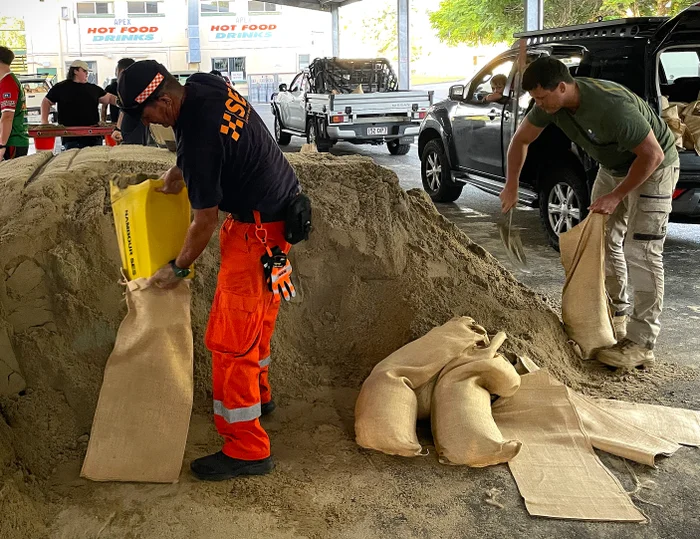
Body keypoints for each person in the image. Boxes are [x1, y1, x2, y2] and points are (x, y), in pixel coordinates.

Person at [118, 60, 310, 481]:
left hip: (255, 234)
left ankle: (246, 447)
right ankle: (260, 397)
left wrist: (178, 269)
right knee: (257, 324)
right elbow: (216, 142)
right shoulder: (204, 86)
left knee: (230, 344)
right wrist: (177, 172)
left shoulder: (199, 145)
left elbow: (202, 221)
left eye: (147, 115)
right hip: (277, 218)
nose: (149, 124)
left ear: (164, 101)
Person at [500, 57, 679, 369]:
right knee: (604, 241)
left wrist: (617, 195)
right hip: (613, 168)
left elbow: (653, 154)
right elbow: (521, 140)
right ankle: (616, 318)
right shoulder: (549, 106)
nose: (538, 105)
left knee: (642, 251)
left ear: (563, 87)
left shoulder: (610, 106)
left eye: (542, 97)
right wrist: (511, 185)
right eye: (534, 99)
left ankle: (642, 343)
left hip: (655, 168)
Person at [41, 60, 116, 150]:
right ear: (75, 71)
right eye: (84, 71)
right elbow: (46, 102)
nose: (87, 74)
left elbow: (109, 98)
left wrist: (123, 102)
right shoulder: (61, 88)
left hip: (93, 136)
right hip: (70, 137)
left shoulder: (93, 89)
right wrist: (44, 122)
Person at [103, 58, 150, 145]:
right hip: (138, 130)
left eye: (116, 71)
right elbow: (124, 108)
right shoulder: (141, 87)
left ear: (121, 71)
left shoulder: (128, 87)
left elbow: (125, 108)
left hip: (134, 131)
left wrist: (118, 128)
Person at [0, 46, 29, 160]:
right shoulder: (8, 81)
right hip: (11, 142)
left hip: (11, 143)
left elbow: (7, 117)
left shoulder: (8, 83)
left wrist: (1, 146)